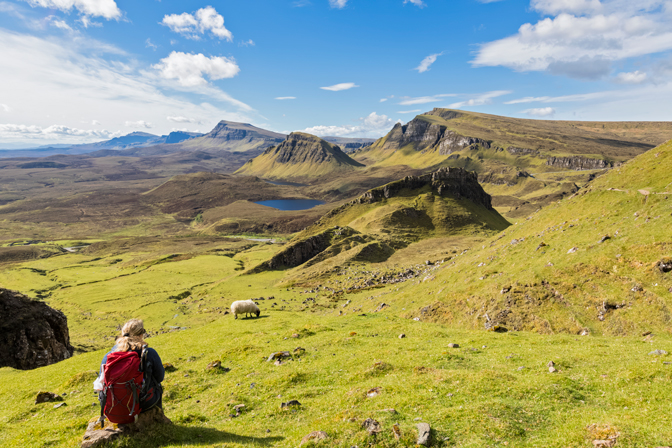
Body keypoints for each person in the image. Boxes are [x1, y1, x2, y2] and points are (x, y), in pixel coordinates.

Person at [94, 319, 165, 413]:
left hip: (113, 404)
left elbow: (101, 381)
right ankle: (157, 417)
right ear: (141, 334)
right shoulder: (148, 353)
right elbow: (160, 377)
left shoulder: (110, 355)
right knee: (158, 385)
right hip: (143, 403)